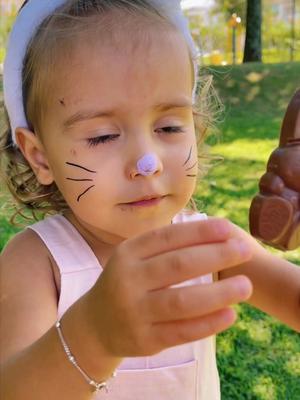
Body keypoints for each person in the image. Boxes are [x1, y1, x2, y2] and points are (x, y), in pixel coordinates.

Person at [0, 1, 299, 399]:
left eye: (170, 126)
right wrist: (94, 336)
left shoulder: (206, 245)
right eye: (103, 136)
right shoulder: (37, 262)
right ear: (39, 156)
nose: (148, 162)